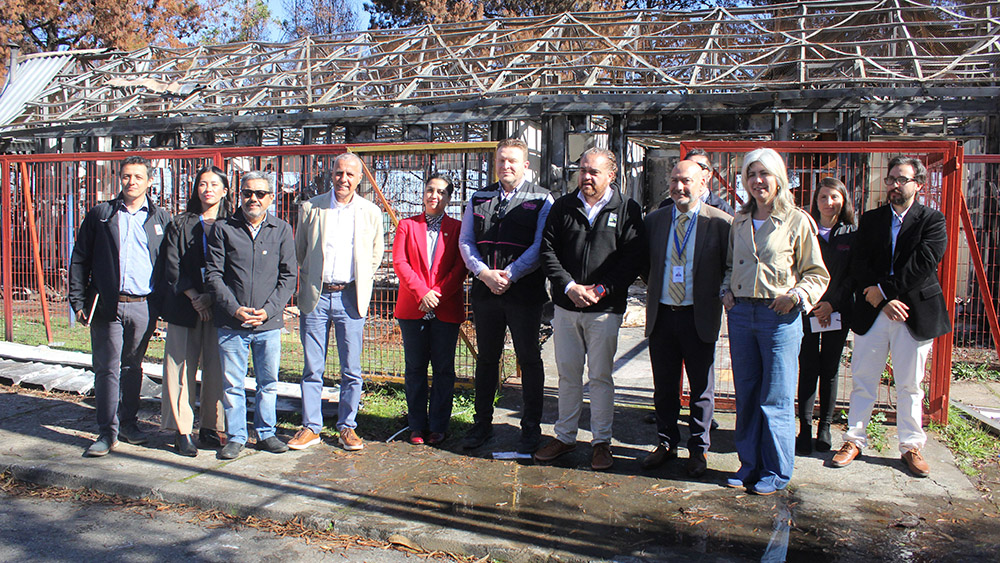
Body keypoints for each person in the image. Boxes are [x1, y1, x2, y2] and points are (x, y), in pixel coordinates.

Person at [831, 156, 951, 477]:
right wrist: (881, 300)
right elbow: (859, 263)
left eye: (902, 179)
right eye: (891, 179)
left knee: (910, 385)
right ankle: (854, 439)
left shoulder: (933, 221)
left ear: (918, 185)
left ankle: (911, 446)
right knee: (863, 378)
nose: (894, 185)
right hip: (875, 311)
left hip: (913, 313)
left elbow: (922, 264)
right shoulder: (871, 220)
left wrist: (885, 292)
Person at [720, 148, 829, 495]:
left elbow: (816, 273)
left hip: (778, 318)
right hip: (741, 316)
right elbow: (728, 266)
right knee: (747, 394)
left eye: (763, 174)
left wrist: (796, 296)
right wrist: (726, 292)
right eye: (751, 174)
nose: (757, 181)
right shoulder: (738, 221)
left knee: (776, 397)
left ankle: (776, 470)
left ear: (778, 178)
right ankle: (749, 464)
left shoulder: (797, 221)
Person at [534, 148, 644, 470]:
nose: (586, 177)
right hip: (566, 309)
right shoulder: (564, 206)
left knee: (600, 377)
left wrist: (601, 289)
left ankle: (601, 442)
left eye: (593, 172)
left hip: (604, 310)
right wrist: (569, 286)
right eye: (582, 170)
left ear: (612, 174)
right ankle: (565, 437)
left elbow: (632, 259)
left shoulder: (626, 209)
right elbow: (547, 250)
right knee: (568, 376)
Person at [69, 156, 171, 457]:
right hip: (107, 305)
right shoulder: (102, 214)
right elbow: (80, 259)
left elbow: (169, 264)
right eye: (126, 176)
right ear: (120, 179)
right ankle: (106, 431)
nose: (132, 182)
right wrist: (78, 300)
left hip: (143, 306)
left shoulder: (160, 218)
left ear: (149, 181)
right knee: (106, 370)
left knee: (132, 367)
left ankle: (128, 422)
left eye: (138, 177)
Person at [458, 138, 553, 453]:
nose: (506, 166)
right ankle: (481, 425)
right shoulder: (480, 197)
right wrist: (484, 274)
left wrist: (511, 275)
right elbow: (466, 241)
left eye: (512, 161)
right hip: (486, 293)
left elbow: (541, 245)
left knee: (529, 359)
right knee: (487, 360)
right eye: (501, 161)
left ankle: (530, 430)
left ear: (526, 165)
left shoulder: (542, 199)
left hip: (524, 293)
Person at [641, 160, 732, 477]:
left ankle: (698, 450)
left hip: (699, 316)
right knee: (664, 387)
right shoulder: (654, 221)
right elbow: (645, 264)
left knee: (701, 390)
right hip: (663, 316)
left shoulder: (721, 224)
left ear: (703, 183)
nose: (680, 187)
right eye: (675, 180)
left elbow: (728, 267)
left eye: (687, 181)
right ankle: (666, 444)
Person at [291, 153, 384, 452]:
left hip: (350, 296)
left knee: (351, 369)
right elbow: (301, 250)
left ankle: (347, 427)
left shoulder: (370, 212)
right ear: (331, 174)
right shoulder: (311, 208)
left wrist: (359, 281)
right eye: (339, 172)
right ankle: (311, 427)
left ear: (359, 179)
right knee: (312, 367)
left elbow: (375, 253)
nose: (343, 179)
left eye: (350, 174)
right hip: (316, 295)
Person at [205, 172, 297, 460]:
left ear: (271, 198)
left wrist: (269, 310)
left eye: (259, 193)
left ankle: (266, 433)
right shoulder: (223, 229)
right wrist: (234, 309)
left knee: (268, 382)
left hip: (268, 324)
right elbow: (214, 275)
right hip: (232, 323)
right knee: (233, 383)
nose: (252, 199)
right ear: (239, 196)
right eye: (247, 193)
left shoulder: (281, 229)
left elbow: (289, 275)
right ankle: (236, 437)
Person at [160, 166, 231, 457]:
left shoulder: (232, 224)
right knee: (180, 370)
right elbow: (171, 263)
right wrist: (194, 297)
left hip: (221, 308)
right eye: (203, 184)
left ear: (225, 190)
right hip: (185, 306)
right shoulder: (180, 223)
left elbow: (235, 268)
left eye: (214, 184)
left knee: (217, 369)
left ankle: (210, 428)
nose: (208, 189)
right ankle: (182, 431)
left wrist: (211, 299)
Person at [392, 174, 467, 445]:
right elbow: (400, 262)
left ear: (449, 198)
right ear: (423, 194)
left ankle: (438, 425)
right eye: (430, 190)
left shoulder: (458, 228)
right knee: (415, 368)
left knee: (444, 369)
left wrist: (438, 294)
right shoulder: (407, 226)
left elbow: (461, 266)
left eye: (441, 192)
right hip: (413, 307)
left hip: (445, 308)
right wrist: (422, 292)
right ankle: (416, 425)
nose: (434, 196)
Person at [796, 177, 856, 455]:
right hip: (808, 309)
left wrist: (832, 304)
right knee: (807, 368)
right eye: (823, 197)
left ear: (843, 200)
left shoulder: (852, 233)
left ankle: (825, 427)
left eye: (834, 197)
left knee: (829, 371)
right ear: (815, 200)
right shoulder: (805, 228)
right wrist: (814, 303)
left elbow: (852, 277)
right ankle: (805, 429)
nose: (829, 202)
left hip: (838, 311)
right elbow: (798, 268)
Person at [659, 149, 735, 216]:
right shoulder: (666, 206)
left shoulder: (722, 209)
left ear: (709, 174)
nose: (694, 170)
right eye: (690, 165)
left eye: (700, 166)